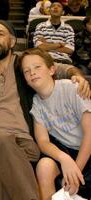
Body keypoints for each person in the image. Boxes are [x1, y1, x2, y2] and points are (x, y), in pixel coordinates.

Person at [0, 20, 90, 200]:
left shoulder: (25, 66)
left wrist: (77, 76)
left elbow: (56, 68)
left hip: (24, 145)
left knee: (6, 169)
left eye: (0, 34)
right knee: (4, 143)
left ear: (13, 42)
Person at [20, 47, 91, 199]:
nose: (32, 72)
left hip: (87, 148)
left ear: (52, 70)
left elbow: (89, 133)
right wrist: (64, 158)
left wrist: (75, 170)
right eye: (27, 71)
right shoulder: (36, 104)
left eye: (37, 67)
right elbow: (43, 142)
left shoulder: (72, 88)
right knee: (44, 166)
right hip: (67, 152)